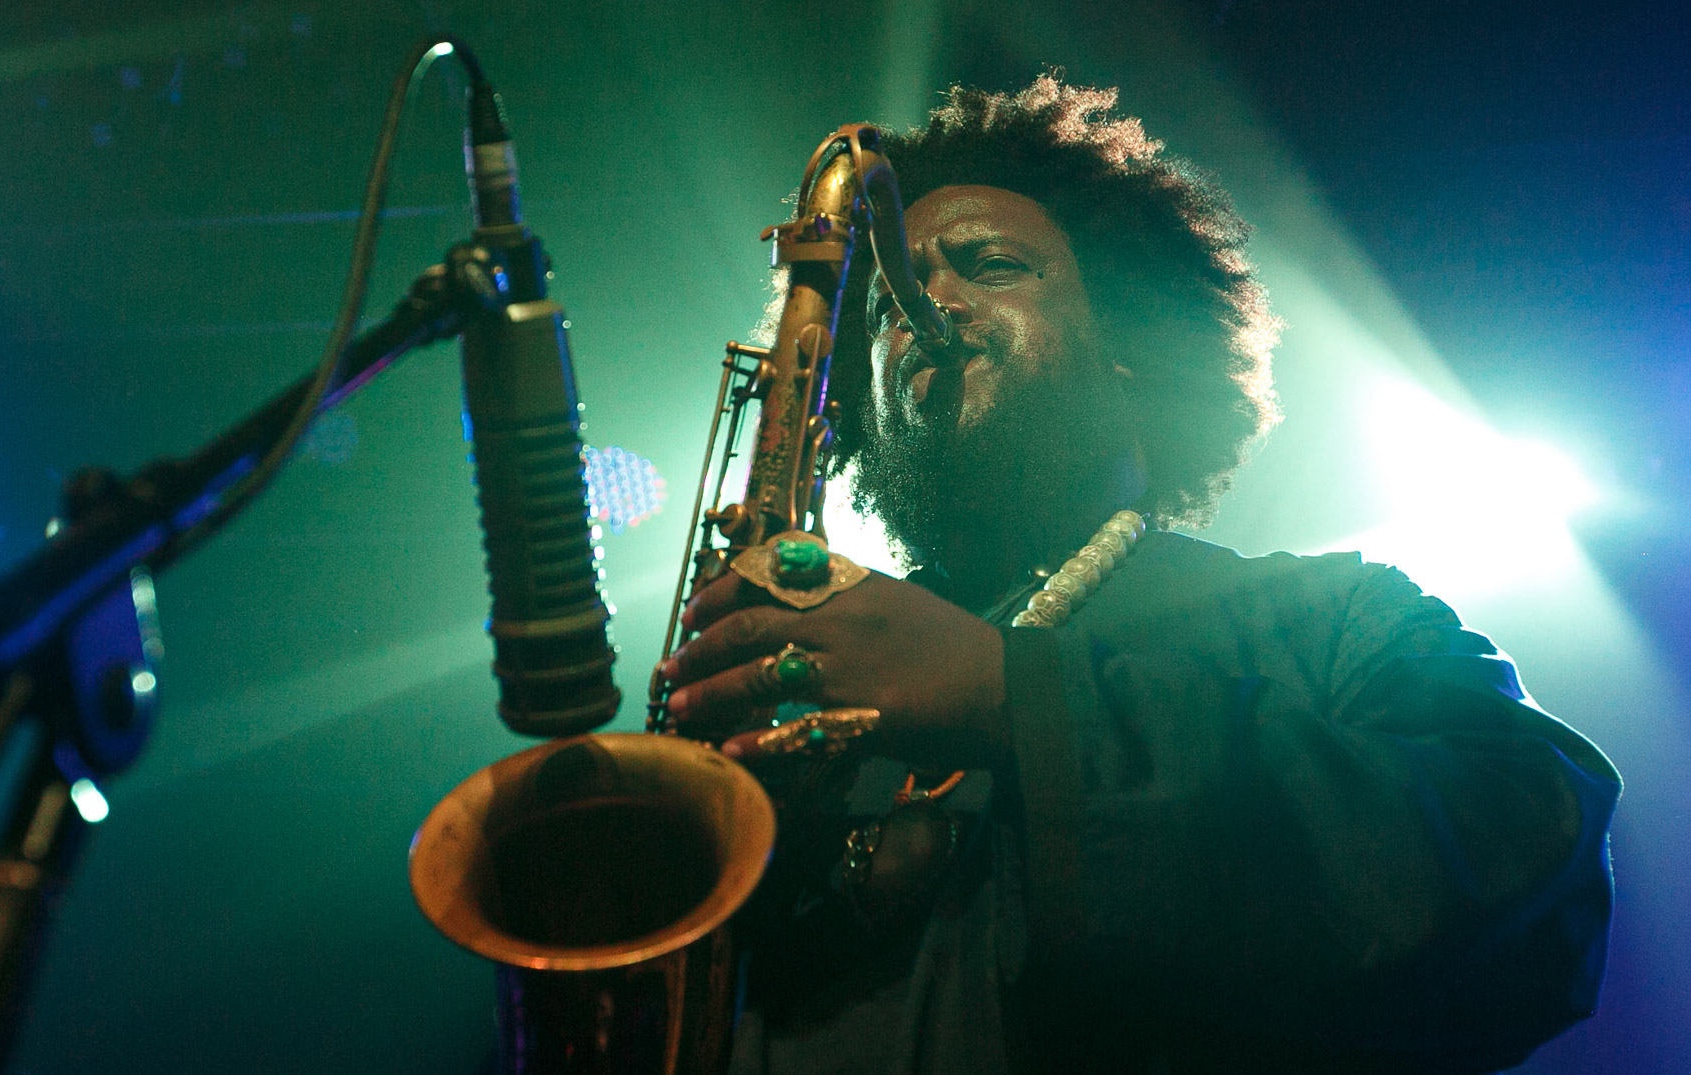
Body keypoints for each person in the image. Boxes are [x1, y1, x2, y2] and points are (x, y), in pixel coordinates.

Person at [653, 76, 1620, 1074]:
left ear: (1125, 349)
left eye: (986, 264)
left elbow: (1523, 863)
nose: (923, 302)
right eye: (889, 300)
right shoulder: (813, 673)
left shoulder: (1332, 616)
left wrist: (1013, 697)